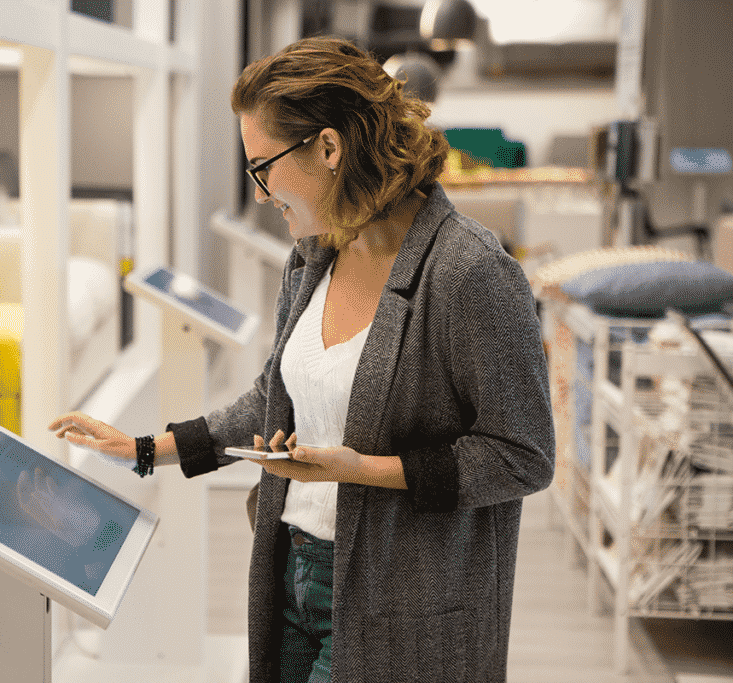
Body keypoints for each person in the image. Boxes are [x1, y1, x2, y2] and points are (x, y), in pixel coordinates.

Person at [50, 36, 554, 683]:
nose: (259, 192)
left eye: (262, 166)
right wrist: (146, 446)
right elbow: (272, 399)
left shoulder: (469, 272)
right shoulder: (315, 254)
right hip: (291, 571)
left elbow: (524, 454)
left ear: (328, 147)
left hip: (402, 598)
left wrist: (364, 469)